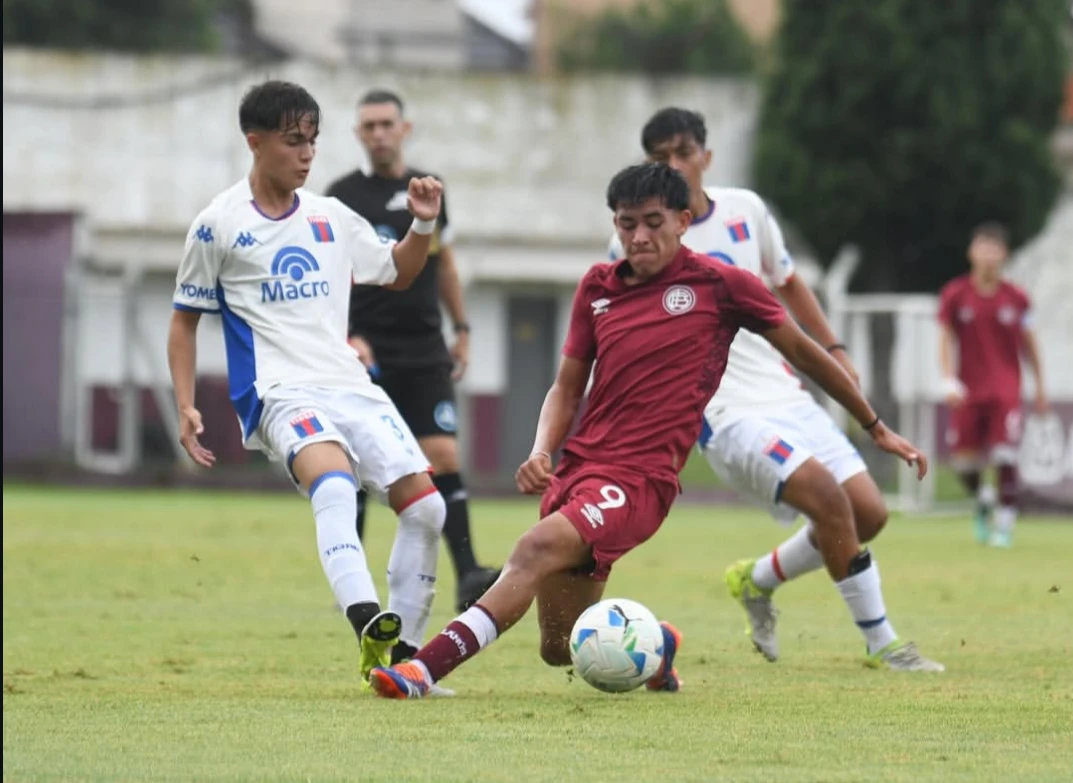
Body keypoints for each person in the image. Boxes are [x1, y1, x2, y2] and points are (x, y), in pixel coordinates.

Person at [367, 162, 928, 699]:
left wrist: (874, 424)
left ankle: (422, 669)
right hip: (579, 470)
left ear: (684, 223)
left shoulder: (722, 285)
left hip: (640, 480)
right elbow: (566, 386)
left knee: (533, 549)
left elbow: (804, 352)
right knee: (561, 648)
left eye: (653, 222)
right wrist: (542, 449)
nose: (638, 236)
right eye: (626, 223)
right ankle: (658, 648)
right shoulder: (597, 286)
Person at [618, 107, 944, 671]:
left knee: (867, 513)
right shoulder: (638, 243)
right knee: (826, 498)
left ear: (706, 157)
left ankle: (757, 578)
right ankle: (884, 644)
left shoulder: (746, 210)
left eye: (682, 152)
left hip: (785, 393)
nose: (673, 165)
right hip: (723, 412)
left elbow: (788, 283)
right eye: (659, 156)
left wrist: (836, 350)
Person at [167, 80, 449, 691]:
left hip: (349, 384)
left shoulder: (331, 218)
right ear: (256, 141)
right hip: (277, 393)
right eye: (294, 141)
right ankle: (368, 623)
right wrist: (186, 403)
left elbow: (398, 272)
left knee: (428, 508)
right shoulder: (217, 225)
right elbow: (183, 321)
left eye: (313, 141)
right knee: (337, 488)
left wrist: (421, 225)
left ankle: (410, 662)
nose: (307, 153)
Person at [326, 89, 501, 616]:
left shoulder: (424, 189)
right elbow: (331, 273)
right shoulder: (341, 195)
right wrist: (343, 336)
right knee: (357, 461)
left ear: (405, 128)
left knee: (442, 456)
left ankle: (469, 571)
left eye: (387, 124)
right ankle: (352, 580)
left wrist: (463, 327)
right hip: (366, 348)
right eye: (369, 125)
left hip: (424, 346)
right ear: (359, 134)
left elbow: (442, 262)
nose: (378, 133)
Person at [938, 223, 1048, 548]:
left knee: (1004, 455)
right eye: (982, 248)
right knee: (964, 463)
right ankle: (984, 498)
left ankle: (1005, 524)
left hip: (1005, 391)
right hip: (968, 391)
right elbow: (944, 339)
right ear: (971, 253)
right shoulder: (956, 295)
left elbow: (1030, 344)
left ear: (1004, 254)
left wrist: (1040, 387)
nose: (988, 255)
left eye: (994, 249)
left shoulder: (1016, 298)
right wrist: (948, 379)